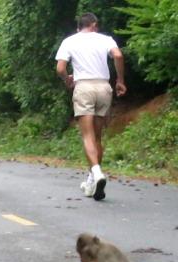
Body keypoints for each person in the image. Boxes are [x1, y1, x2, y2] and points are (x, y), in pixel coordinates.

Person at [55, 12, 126, 201]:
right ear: (93, 24)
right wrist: (120, 80)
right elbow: (118, 55)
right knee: (97, 137)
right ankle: (92, 180)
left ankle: (96, 173)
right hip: (104, 86)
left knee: (87, 136)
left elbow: (60, 68)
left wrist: (67, 80)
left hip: (84, 87)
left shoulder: (69, 41)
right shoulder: (105, 39)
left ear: (80, 26)